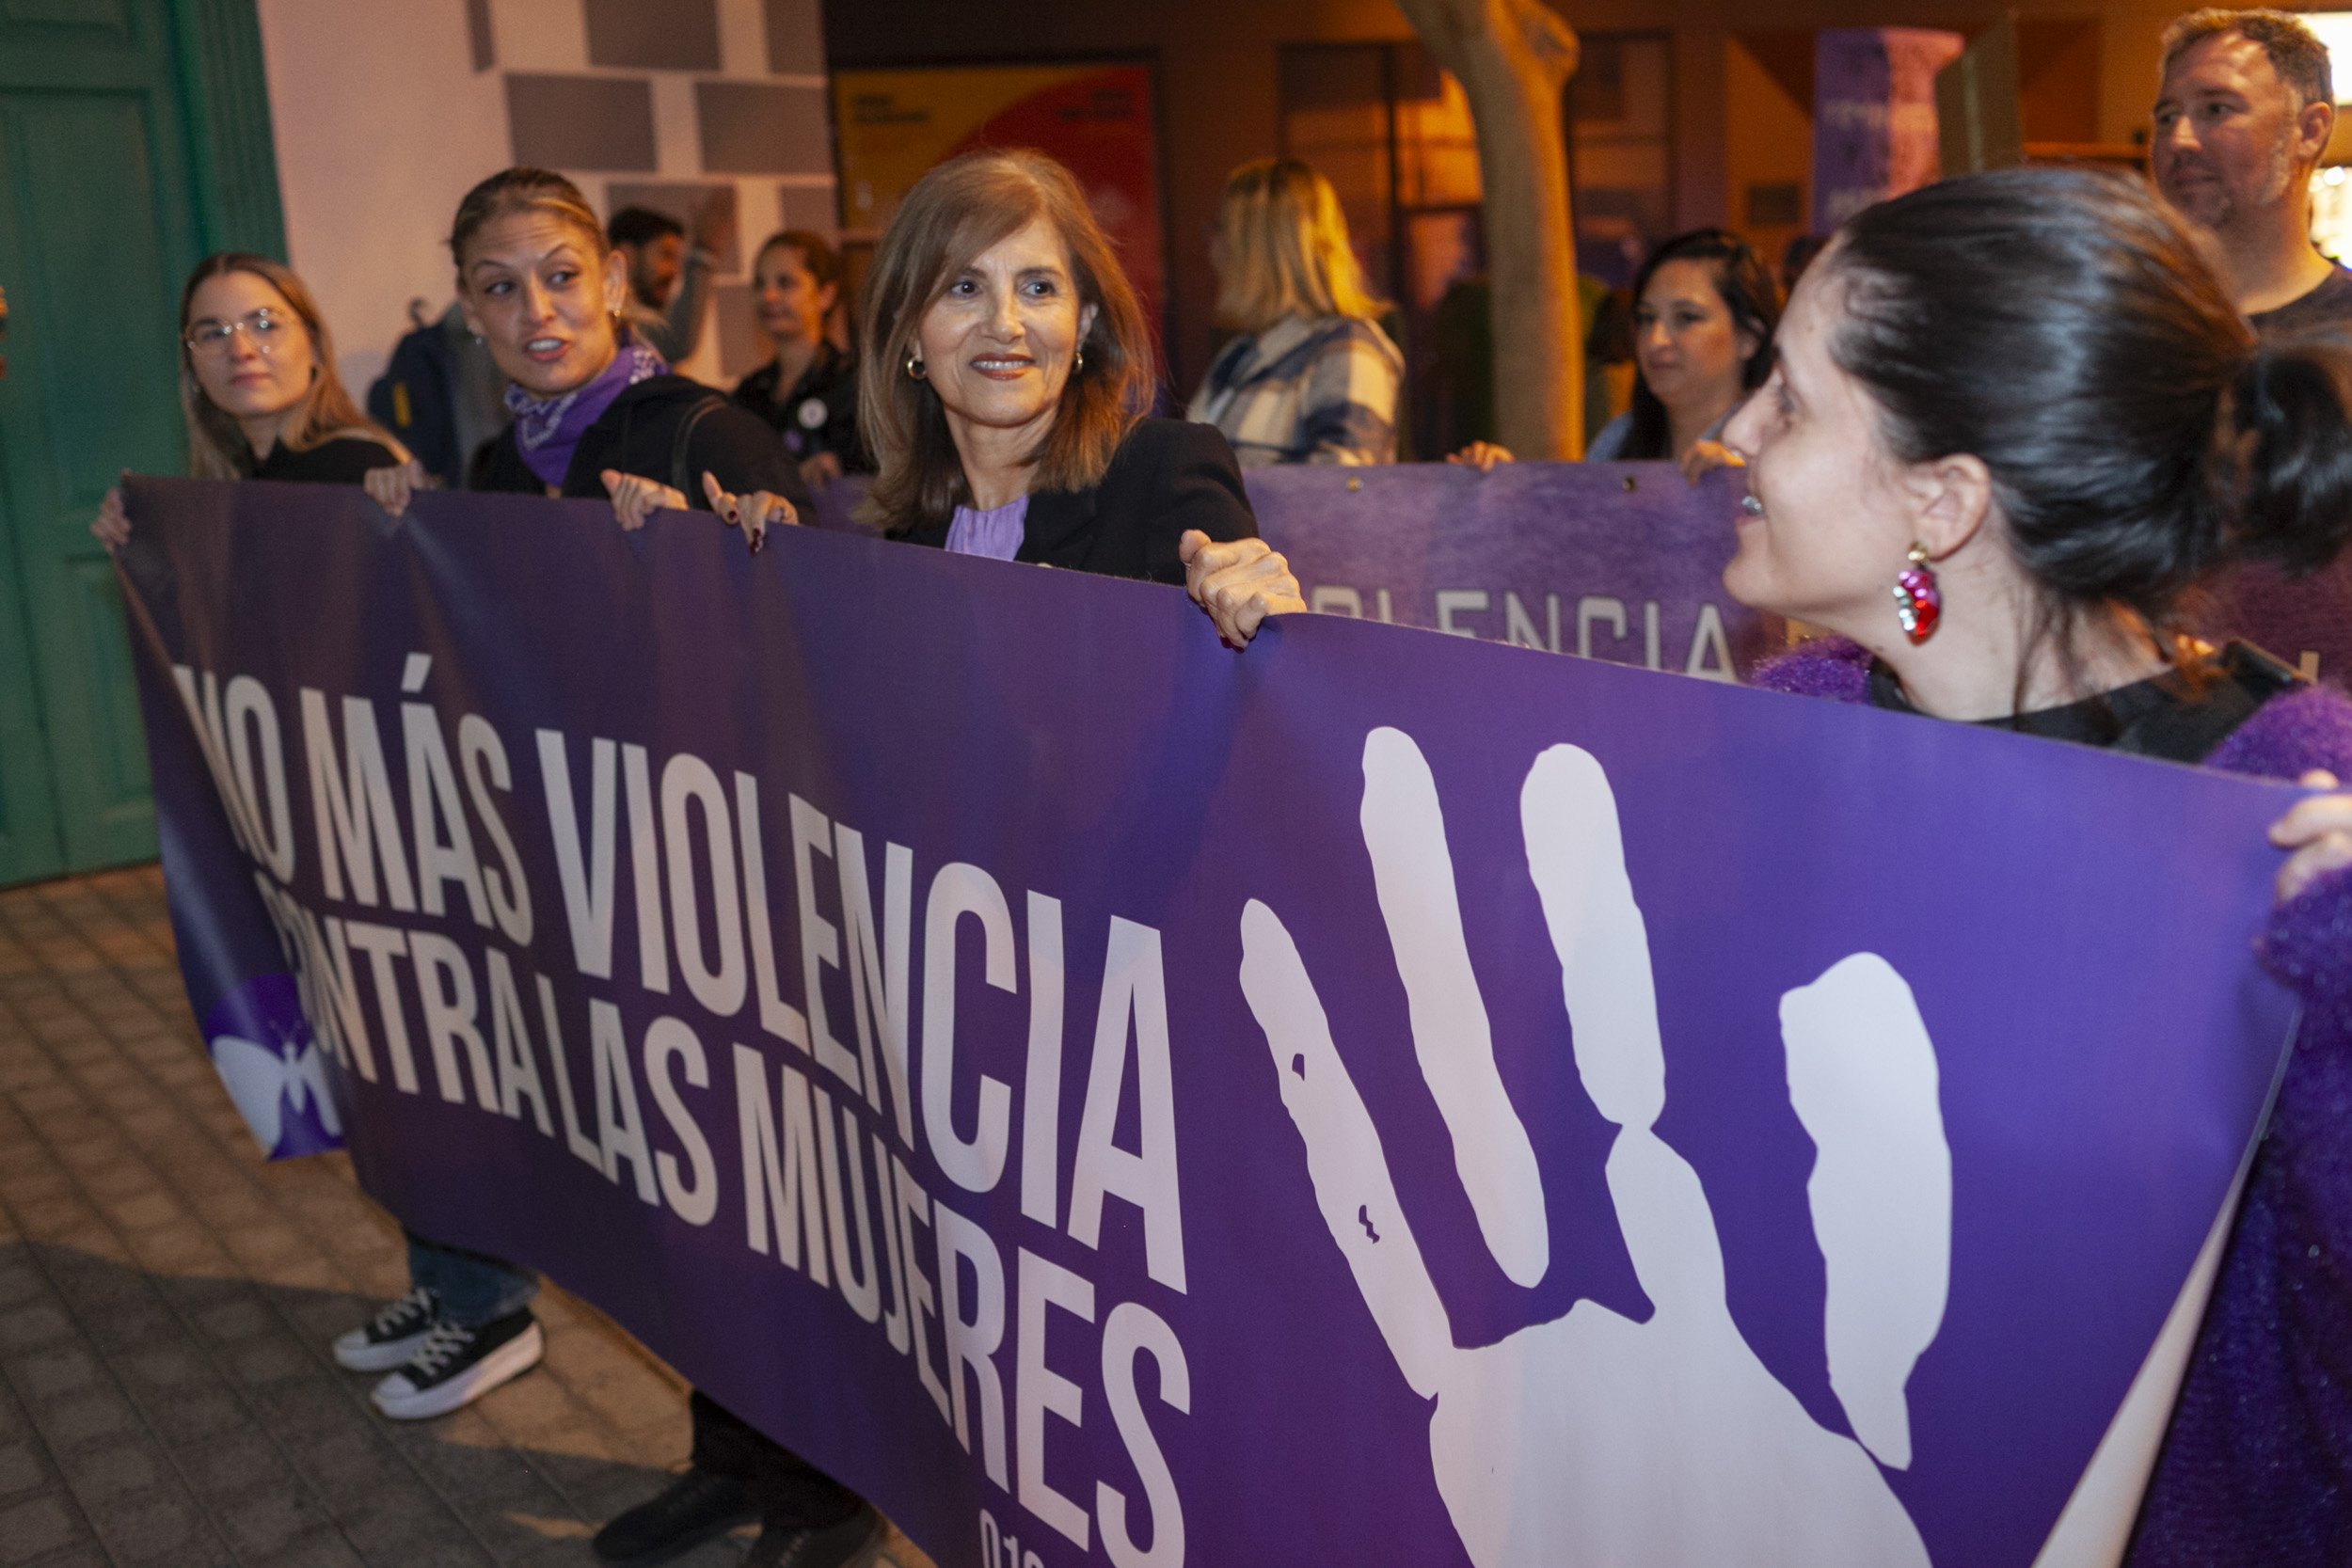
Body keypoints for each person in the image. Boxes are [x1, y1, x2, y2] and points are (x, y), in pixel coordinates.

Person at [1718, 166, 2352, 1564]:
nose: (1729, 429)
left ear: (1940, 501)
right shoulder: (1790, 736)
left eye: (1792, 399)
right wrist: (1277, 666)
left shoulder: (2288, 810)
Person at [368, 168, 805, 545]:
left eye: (562, 276)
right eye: (501, 287)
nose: (537, 311)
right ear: (473, 315)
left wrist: (701, 548)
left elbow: (814, 610)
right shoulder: (502, 465)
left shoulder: (709, 435)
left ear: (612, 283)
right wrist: (414, 514)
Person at [91, 253, 409, 548]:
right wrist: (135, 540)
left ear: (314, 346)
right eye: (214, 334)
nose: (241, 351)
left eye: (265, 326)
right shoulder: (229, 486)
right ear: (193, 367)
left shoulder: (359, 470)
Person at [1451, 229, 1779, 480]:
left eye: (1686, 318)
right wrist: (1506, 488)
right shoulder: (1620, 438)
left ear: (1749, 338)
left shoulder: (1777, 448)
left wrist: (1743, 494)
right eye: (1647, 318)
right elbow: (1574, 537)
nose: (1656, 339)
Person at [1185, 157, 1404, 467]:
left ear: (1257, 247)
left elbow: (1344, 495)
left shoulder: (1345, 349)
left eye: (1221, 229)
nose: (1213, 249)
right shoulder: (1239, 354)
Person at [2153, 8, 2352, 333]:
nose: (2179, 140)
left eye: (2216, 109)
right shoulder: (2120, 321)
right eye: (2167, 117)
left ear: (2309, 132)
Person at [731, 230, 868, 489]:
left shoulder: (856, 385)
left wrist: (839, 465)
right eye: (760, 284)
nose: (768, 296)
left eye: (785, 283)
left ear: (825, 295)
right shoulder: (748, 393)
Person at [610, 204, 717, 365]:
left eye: (677, 260)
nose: (674, 271)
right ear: (627, 255)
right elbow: (674, 342)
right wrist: (702, 256)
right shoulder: (611, 320)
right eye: (666, 255)